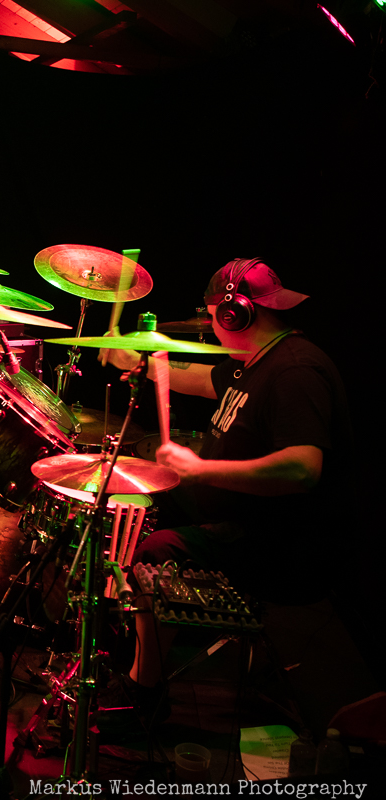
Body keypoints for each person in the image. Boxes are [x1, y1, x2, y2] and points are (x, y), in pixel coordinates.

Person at [96, 258, 349, 728]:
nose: (212, 327)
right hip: (240, 516)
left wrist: (201, 470)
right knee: (137, 493)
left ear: (234, 314)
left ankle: (144, 694)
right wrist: (140, 362)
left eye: (214, 317)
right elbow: (199, 379)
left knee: (156, 550)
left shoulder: (295, 371)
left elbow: (303, 468)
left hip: (279, 542)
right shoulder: (257, 361)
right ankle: (127, 641)